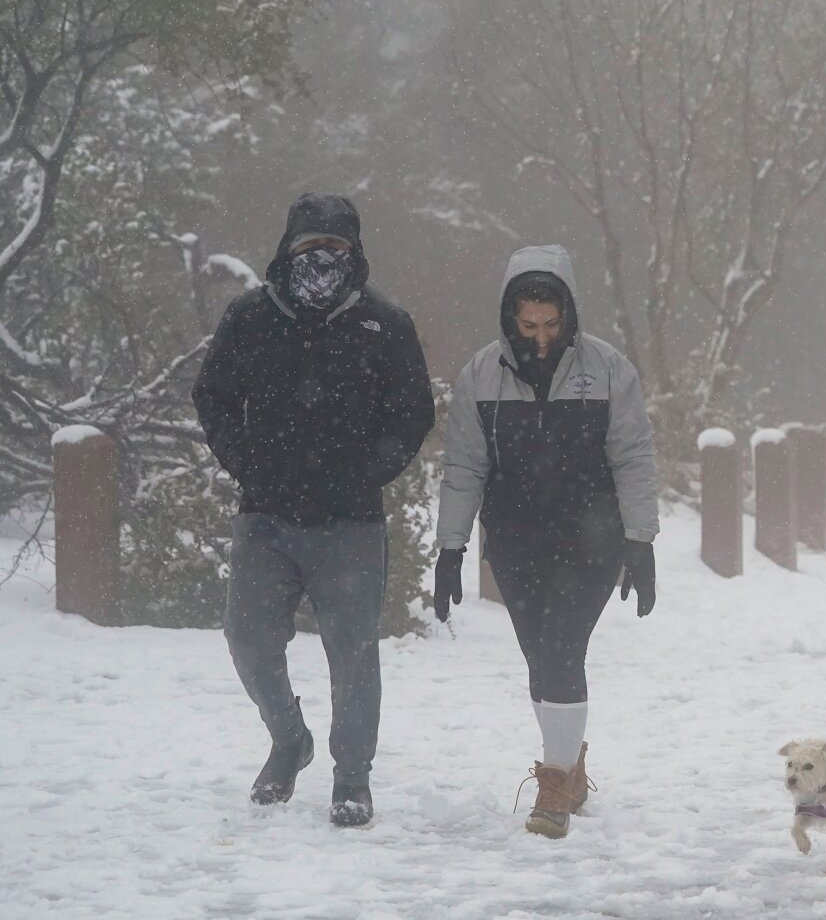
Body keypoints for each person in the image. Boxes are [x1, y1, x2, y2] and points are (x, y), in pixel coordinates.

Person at [192, 193, 435, 827]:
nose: (321, 260)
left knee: (352, 654)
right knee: (247, 639)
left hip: (350, 522)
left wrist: (365, 472)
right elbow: (212, 394)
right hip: (265, 515)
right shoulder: (249, 317)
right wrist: (245, 461)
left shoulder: (385, 322)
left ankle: (352, 777)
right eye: (307, 248)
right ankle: (288, 738)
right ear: (287, 250)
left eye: (334, 249)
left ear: (354, 253)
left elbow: (413, 414)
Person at [432, 244, 660, 838]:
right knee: (541, 658)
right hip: (515, 540)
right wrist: (451, 548)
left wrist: (641, 541)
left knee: (560, 648)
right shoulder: (480, 374)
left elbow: (633, 456)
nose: (540, 337)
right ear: (510, 317)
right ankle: (571, 768)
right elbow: (464, 467)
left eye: (552, 324)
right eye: (528, 325)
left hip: (592, 538)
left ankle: (555, 784)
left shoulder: (608, 369)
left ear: (569, 315)